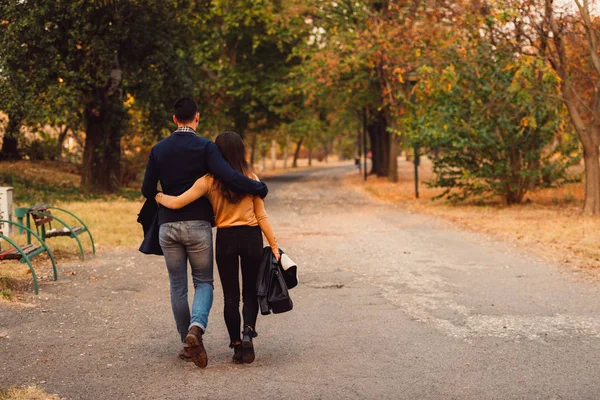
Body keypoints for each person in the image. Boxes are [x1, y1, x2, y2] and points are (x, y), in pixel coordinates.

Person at [141, 98, 268, 368]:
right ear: (197, 118)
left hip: (167, 226)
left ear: (175, 119)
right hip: (198, 226)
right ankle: (196, 328)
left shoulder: (158, 149)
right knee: (203, 282)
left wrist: (161, 195)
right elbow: (229, 176)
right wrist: (258, 188)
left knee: (177, 286)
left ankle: (187, 343)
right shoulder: (206, 147)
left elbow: (147, 189)